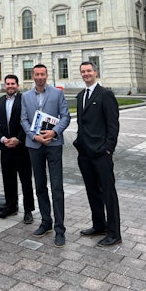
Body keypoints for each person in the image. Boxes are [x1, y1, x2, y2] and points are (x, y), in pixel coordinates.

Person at [21, 64, 71, 247]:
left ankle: (60, 229)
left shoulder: (57, 94)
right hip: (34, 145)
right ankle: (46, 222)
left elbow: (65, 117)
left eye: (43, 74)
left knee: (57, 187)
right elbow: (24, 119)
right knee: (40, 185)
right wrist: (34, 136)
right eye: (37, 74)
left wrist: (54, 133)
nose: (40, 77)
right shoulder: (26, 96)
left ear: (46, 75)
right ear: (32, 76)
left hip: (53, 144)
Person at [74, 61, 121, 247]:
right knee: (92, 191)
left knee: (108, 193)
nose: (86, 74)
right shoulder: (80, 96)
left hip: (101, 153)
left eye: (89, 71)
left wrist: (108, 148)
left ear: (96, 72)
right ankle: (99, 225)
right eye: (83, 71)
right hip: (85, 153)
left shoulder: (105, 94)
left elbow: (113, 124)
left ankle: (114, 232)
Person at [0, 75, 35, 224]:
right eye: (8, 83)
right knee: (8, 179)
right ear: (5, 85)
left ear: (17, 85)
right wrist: (2, 139)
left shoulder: (24, 100)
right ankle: (11, 206)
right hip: (5, 147)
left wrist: (18, 138)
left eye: (13, 83)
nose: (10, 86)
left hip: (22, 148)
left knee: (25, 180)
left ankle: (28, 211)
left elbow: (29, 121)